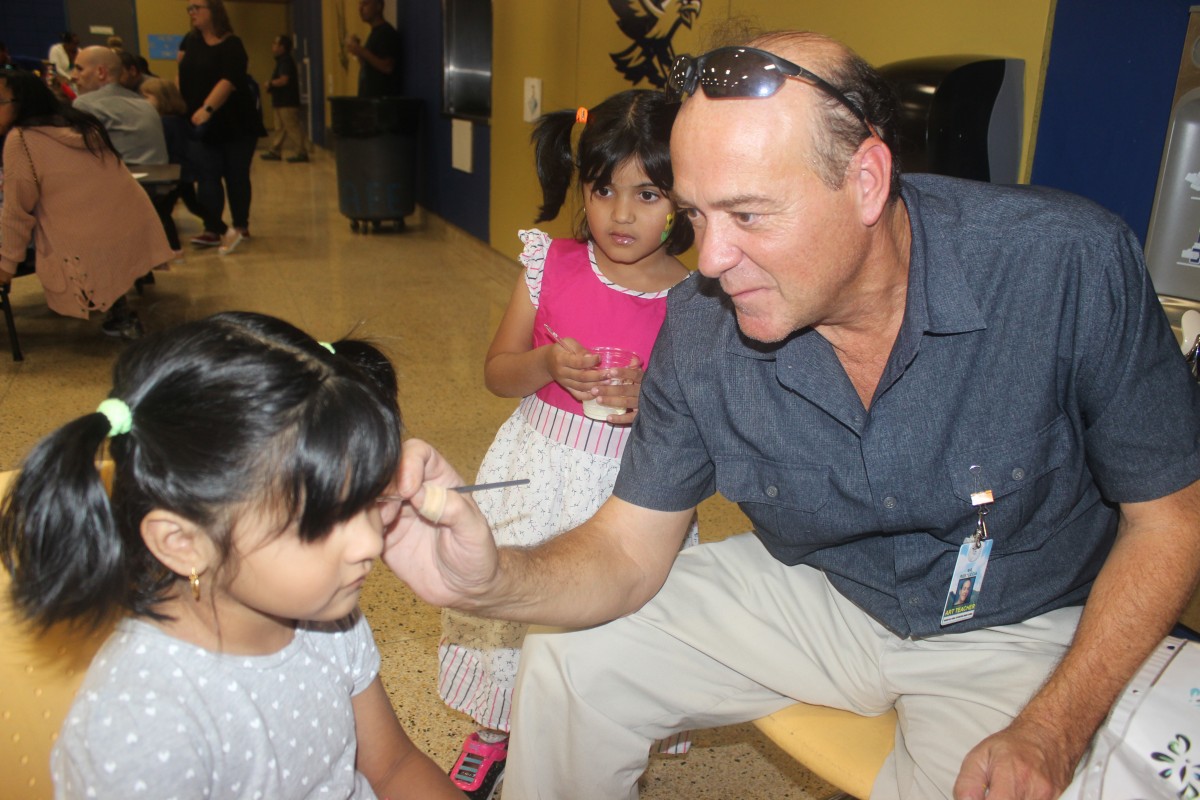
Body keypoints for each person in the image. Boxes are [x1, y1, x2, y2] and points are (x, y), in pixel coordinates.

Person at [384, 30, 1200, 800]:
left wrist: (1054, 729)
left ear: (868, 182)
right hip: (822, 587)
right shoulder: (701, 327)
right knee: (571, 658)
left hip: (1016, 625)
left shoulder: (1063, 263)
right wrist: (494, 579)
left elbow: (1170, 520)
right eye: (697, 215)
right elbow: (626, 554)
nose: (708, 260)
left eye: (748, 214)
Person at [0, 311, 466, 800]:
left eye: (369, 500)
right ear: (184, 544)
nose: (372, 542)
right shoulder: (139, 728)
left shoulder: (325, 616)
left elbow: (391, 766)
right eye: (326, 520)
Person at [436, 88, 695, 799]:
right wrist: (547, 364)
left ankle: (602, 745)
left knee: (612, 623)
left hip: (631, 491)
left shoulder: (696, 299)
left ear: (684, 198)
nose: (620, 213)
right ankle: (495, 733)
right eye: (604, 189)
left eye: (648, 194)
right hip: (536, 468)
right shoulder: (550, 264)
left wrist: (651, 400)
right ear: (583, 186)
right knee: (514, 603)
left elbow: (701, 421)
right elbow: (497, 372)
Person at [0, 70, 168, 340]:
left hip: (85, 241)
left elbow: (16, 212)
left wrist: (6, 266)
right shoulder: (79, 123)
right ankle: (120, 311)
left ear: (23, 102)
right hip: (132, 225)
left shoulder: (21, 139)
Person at [177, 0, 261, 256]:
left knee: (236, 175)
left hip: (235, 122)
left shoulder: (232, 44)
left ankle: (240, 224)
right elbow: (180, 73)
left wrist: (208, 109)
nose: (192, 13)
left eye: (197, 7)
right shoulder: (189, 42)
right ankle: (212, 227)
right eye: (189, 8)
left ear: (214, 11)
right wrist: (179, 103)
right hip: (199, 124)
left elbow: (230, 80)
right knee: (207, 175)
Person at [71, 46, 167, 166]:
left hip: (119, 179)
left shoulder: (85, 103)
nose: (73, 76)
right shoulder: (144, 104)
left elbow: (80, 157)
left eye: (79, 69)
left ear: (101, 73)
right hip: (159, 178)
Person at [140, 77, 199, 259]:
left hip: (173, 172)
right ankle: (225, 230)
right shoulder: (178, 120)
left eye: (147, 96)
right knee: (193, 206)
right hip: (184, 170)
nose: (144, 101)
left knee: (163, 211)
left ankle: (175, 249)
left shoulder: (165, 123)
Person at [261, 35, 309, 163]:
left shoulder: (286, 61)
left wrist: (270, 84)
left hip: (287, 101)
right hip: (280, 101)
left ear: (282, 47)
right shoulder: (281, 61)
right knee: (280, 128)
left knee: (292, 127)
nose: (273, 46)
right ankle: (275, 150)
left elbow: (284, 80)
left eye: (275, 44)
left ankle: (301, 152)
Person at [345, 0, 403, 98]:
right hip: (368, 103)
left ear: (378, 6)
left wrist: (361, 50)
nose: (361, 8)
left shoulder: (386, 33)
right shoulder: (374, 34)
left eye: (366, 4)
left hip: (381, 105)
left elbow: (387, 67)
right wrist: (358, 52)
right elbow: (368, 66)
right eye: (360, 4)